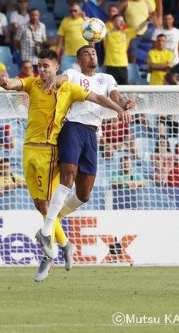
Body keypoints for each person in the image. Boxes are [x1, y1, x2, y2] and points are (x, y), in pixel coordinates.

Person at [0, 48, 131, 282]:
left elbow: (100, 97)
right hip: (31, 147)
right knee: (41, 204)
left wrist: (119, 107)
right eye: (40, 66)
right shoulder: (34, 82)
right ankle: (63, 244)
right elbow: (13, 84)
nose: (42, 70)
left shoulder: (73, 86)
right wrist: (4, 80)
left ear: (56, 67)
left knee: (75, 195)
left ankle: (51, 241)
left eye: (46, 66)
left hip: (55, 146)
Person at [38, 45, 133, 261]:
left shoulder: (106, 78)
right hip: (73, 126)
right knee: (68, 175)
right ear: (79, 60)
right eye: (87, 53)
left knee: (84, 194)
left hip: (92, 133)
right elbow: (61, 78)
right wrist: (53, 79)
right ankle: (46, 231)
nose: (92, 55)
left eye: (94, 52)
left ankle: (50, 223)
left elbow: (116, 97)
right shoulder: (73, 74)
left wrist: (125, 104)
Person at [103, 14, 150, 85]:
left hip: (123, 65)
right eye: (119, 21)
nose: (122, 23)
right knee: (110, 89)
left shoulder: (126, 33)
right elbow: (96, 29)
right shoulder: (107, 33)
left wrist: (148, 20)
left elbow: (139, 27)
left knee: (124, 89)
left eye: (123, 21)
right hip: (110, 66)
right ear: (113, 22)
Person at [56, 2, 88, 72]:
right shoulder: (65, 21)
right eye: (71, 11)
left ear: (80, 11)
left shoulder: (86, 20)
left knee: (84, 76)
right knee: (64, 74)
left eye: (75, 10)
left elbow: (92, 35)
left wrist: (84, 18)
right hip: (68, 55)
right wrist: (56, 55)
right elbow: (60, 41)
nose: (73, 12)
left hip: (83, 54)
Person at [14, 8, 46, 73]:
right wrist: (21, 49)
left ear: (39, 15)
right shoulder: (22, 27)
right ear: (29, 15)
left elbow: (44, 40)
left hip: (37, 58)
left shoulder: (42, 26)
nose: (34, 17)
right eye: (32, 15)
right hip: (26, 57)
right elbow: (16, 41)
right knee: (25, 79)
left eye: (36, 15)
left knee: (37, 78)